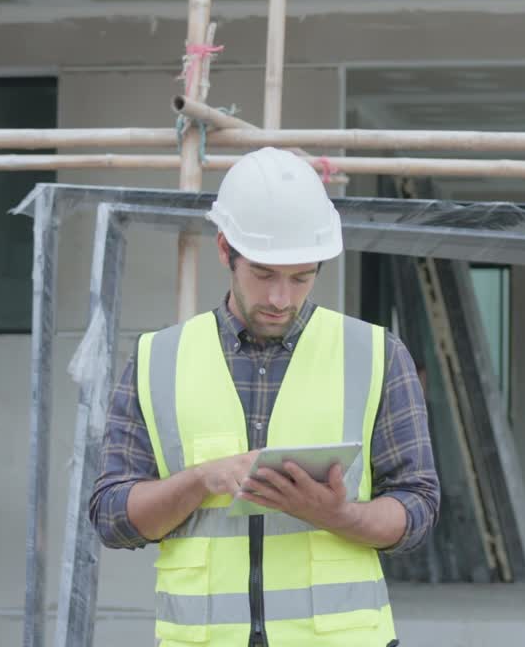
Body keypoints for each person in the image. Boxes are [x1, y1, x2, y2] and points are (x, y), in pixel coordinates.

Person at [89, 147, 439, 647]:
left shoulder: (377, 355)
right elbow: (112, 518)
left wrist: (337, 515)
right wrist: (201, 480)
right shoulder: (156, 360)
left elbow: (419, 509)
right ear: (224, 249)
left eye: (301, 277)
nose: (281, 299)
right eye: (264, 274)